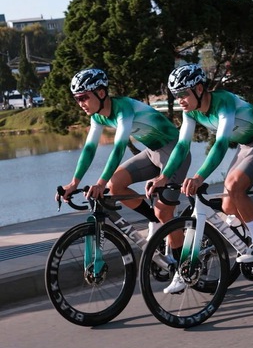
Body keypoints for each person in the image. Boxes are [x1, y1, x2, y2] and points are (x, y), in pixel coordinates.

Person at [147, 63, 253, 292]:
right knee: (229, 204)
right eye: (175, 95)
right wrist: (164, 176)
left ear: (199, 89)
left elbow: (220, 145)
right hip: (246, 145)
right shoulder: (190, 111)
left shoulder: (224, 103)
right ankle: (250, 239)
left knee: (233, 185)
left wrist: (199, 177)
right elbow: (182, 146)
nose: (179, 99)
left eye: (183, 93)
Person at [61, 68, 190, 247]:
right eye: (77, 99)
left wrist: (99, 183)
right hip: (153, 153)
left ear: (100, 93)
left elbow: (119, 149)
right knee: (115, 185)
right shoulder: (98, 117)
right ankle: (155, 220)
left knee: (164, 213)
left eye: (84, 97)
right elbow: (89, 149)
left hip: (175, 153)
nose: (81, 103)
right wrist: (74, 182)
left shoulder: (124, 109)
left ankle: (180, 268)